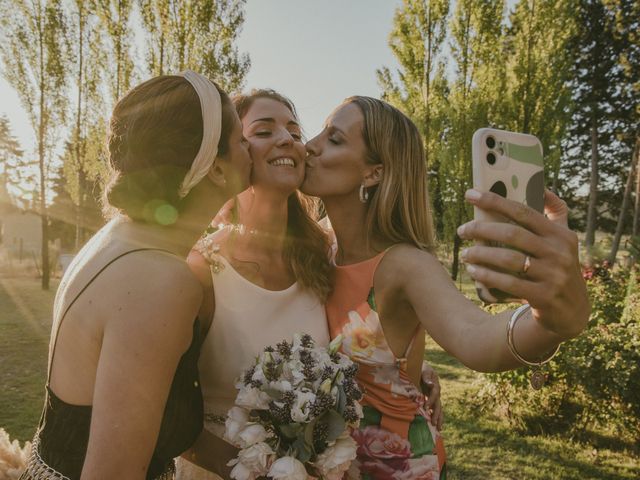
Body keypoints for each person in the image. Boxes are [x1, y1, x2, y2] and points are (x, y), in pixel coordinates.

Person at [302, 96, 590, 479]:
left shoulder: (405, 264)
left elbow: (476, 336)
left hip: (397, 465)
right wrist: (415, 368)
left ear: (374, 173)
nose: (310, 145)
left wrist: (552, 321)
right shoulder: (321, 246)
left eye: (334, 139)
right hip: (331, 464)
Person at [177, 90, 444, 479]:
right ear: (232, 151)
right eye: (263, 130)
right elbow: (164, 412)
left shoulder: (324, 253)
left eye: (295, 131)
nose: (289, 139)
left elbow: (367, 315)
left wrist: (412, 370)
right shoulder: (201, 269)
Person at [20, 71, 252, 480]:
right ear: (215, 169)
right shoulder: (161, 280)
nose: (251, 146)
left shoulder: (117, 237)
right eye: (242, 140)